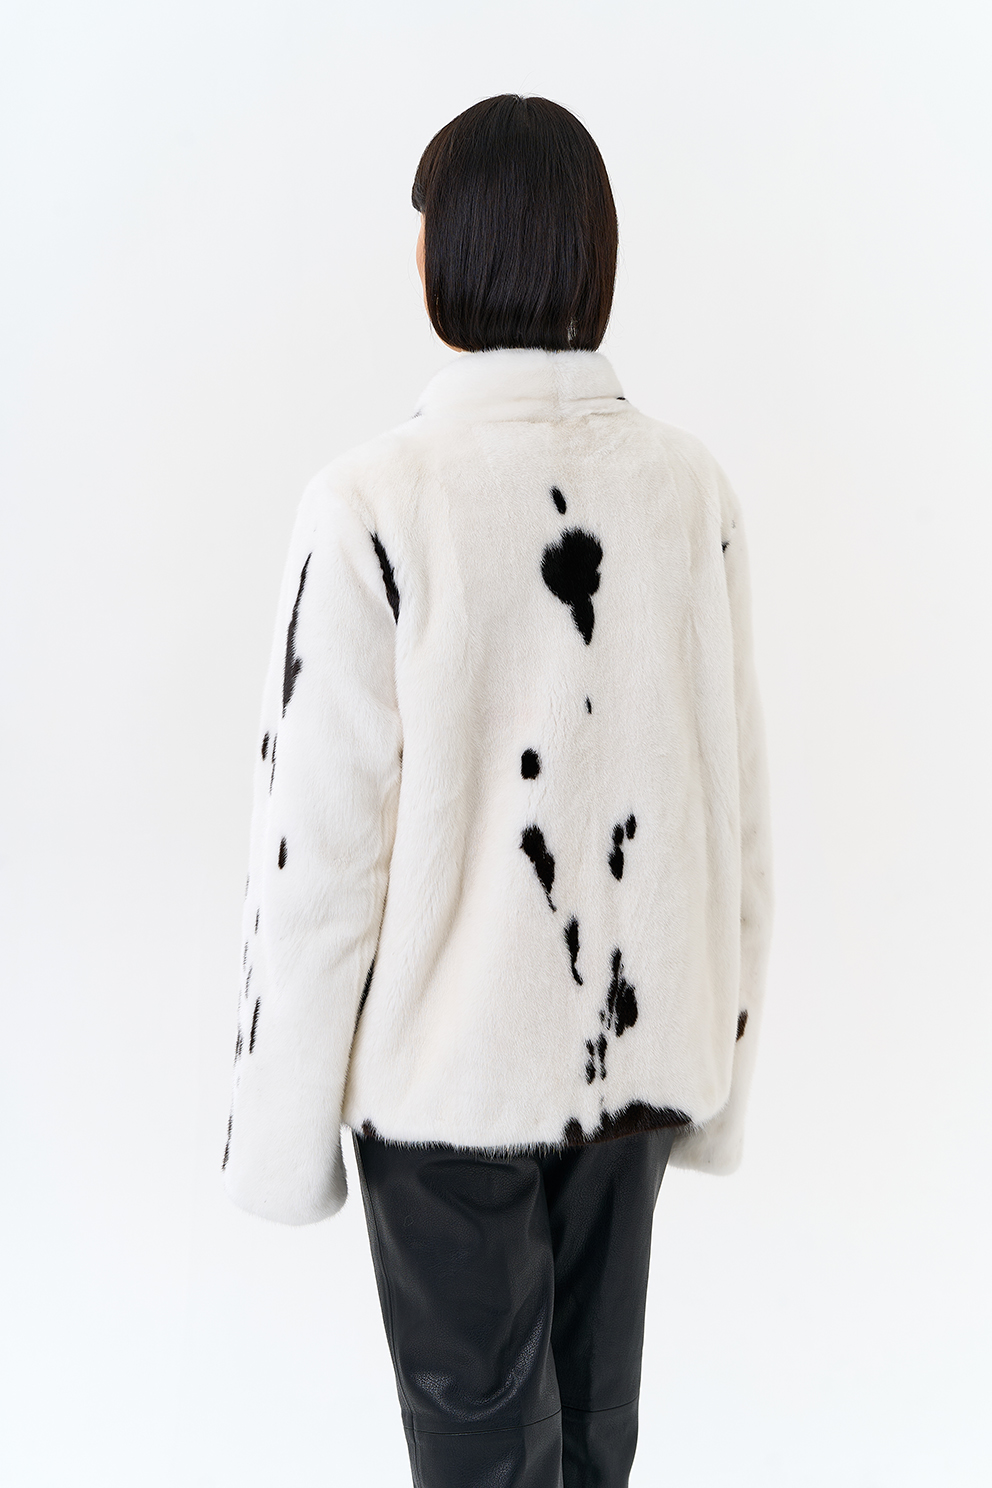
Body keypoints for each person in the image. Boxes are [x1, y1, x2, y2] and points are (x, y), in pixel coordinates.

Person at [222, 93, 774, 1488]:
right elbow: (734, 806)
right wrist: (717, 1060)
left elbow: (321, 849)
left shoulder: (375, 502)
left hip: (447, 1075)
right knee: (593, 1441)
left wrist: (281, 1131)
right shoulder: (685, 488)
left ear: (441, 256)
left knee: (481, 1457)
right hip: (633, 1065)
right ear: (595, 253)